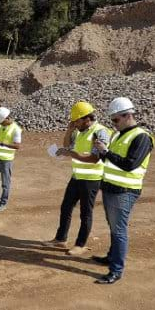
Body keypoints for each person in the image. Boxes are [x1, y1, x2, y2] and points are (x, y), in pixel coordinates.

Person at [91, 97, 155, 284]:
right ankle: (111, 257)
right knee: (113, 226)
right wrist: (102, 153)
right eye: (112, 120)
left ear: (128, 115)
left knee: (119, 230)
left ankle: (116, 270)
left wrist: (106, 152)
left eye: (116, 120)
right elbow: (111, 161)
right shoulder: (118, 135)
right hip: (110, 188)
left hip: (125, 191)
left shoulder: (141, 137)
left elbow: (130, 165)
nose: (113, 124)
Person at [47, 101, 112, 256]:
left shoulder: (100, 132)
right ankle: (61, 239)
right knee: (66, 207)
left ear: (86, 118)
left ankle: (80, 244)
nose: (74, 123)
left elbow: (95, 158)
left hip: (92, 179)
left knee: (85, 212)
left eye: (76, 121)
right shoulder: (80, 131)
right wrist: (69, 131)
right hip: (77, 176)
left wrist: (72, 154)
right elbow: (67, 146)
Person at [0, 107, 22, 212]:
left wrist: (1, 143)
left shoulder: (16, 129)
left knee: (5, 183)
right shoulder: (1, 125)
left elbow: (17, 146)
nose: (1, 124)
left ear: (7, 118)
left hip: (6, 160)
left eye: (2, 122)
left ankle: (3, 203)